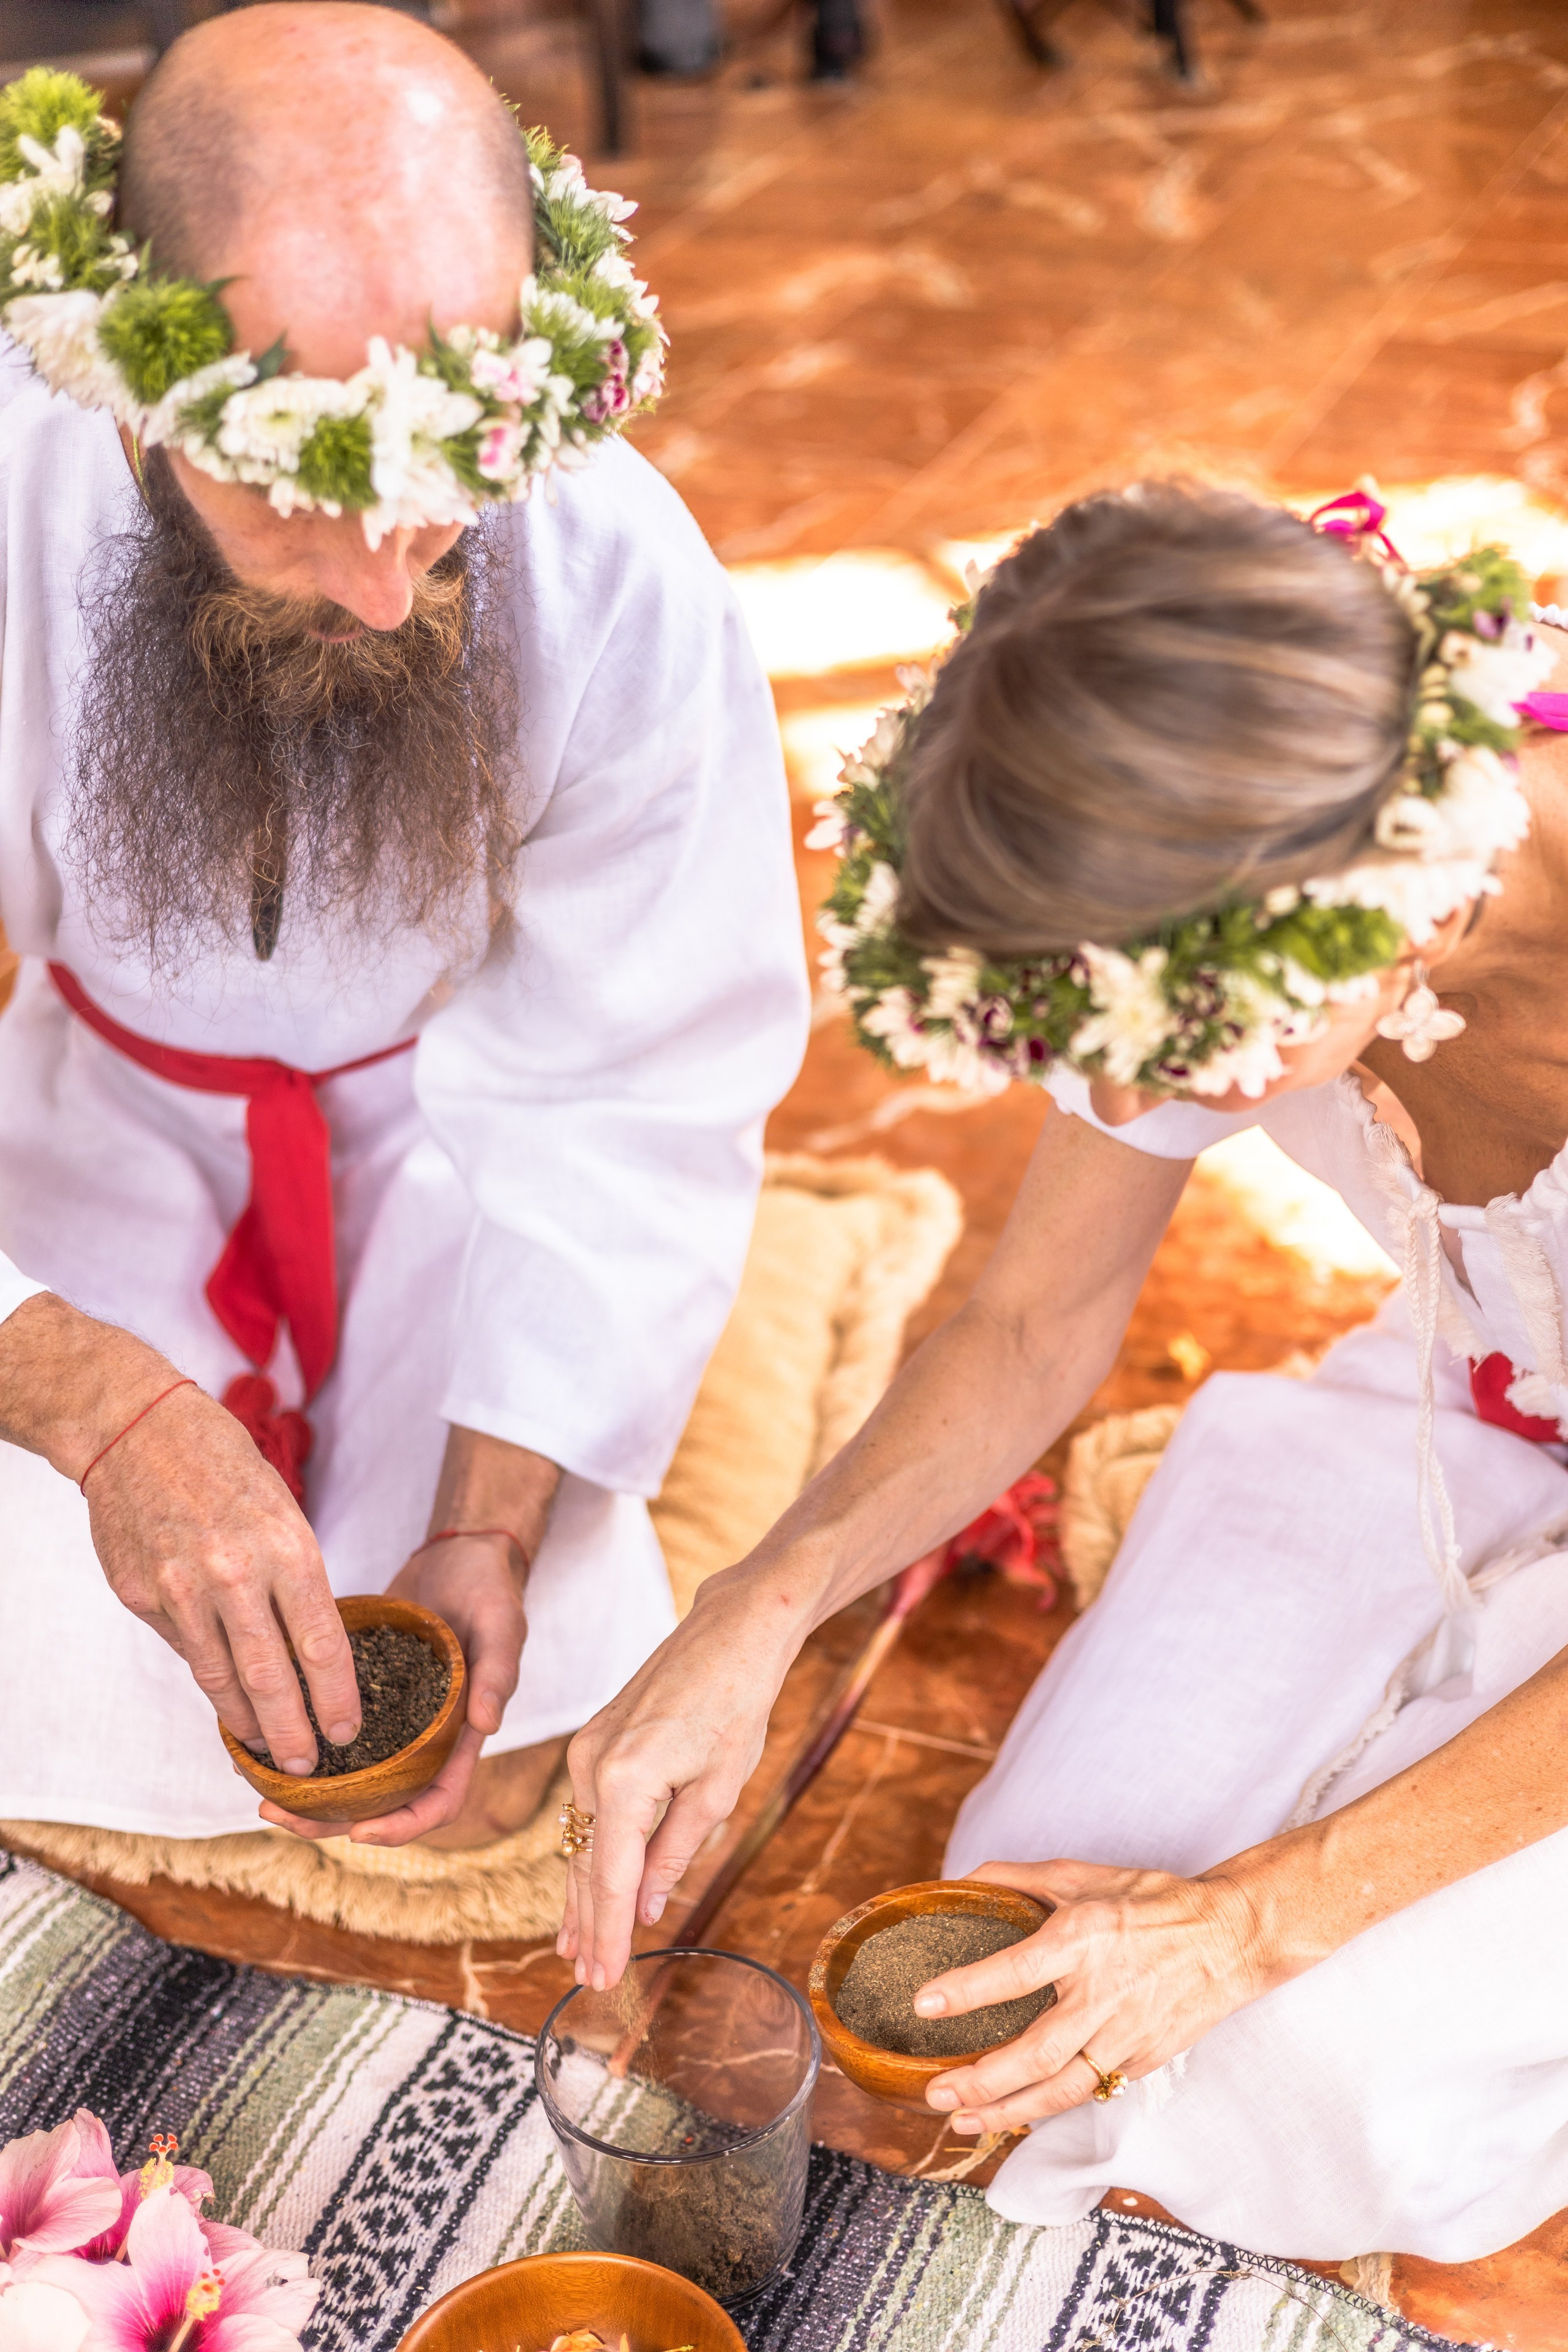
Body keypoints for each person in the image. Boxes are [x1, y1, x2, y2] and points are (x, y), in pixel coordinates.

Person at [562, 481, 1568, 2264]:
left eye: (1163, 1049)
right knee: (1030, 1922)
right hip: (1481, 1403)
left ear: (1383, 903)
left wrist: (1260, 1925)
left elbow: (1255, 1947)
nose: (1123, 1110)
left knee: (1313, 2070)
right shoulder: (1222, 767)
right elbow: (1036, 1319)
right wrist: (756, 1608)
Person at [0, 15, 805, 1849]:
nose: (384, 584)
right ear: (133, 387)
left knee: (489, 1716)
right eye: (300, 488)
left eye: (448, 490)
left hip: (456, 1126)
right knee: (55, 1647)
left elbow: (639, 1069)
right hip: (84, 1114)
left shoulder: (616, 565)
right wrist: (95, 1404)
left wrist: (493, 1515)